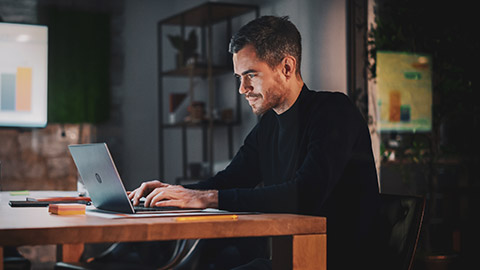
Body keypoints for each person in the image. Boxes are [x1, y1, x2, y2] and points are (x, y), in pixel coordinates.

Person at [129, 15, 381, 270]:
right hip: (288, 260)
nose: (242, 88)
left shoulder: (334, 111)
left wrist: (205, 197)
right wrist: (170, 193)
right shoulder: (269, 126)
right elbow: (230, 180)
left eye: (251, 75)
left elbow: (305, 195)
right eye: (239, 77)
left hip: (334, 263)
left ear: (286, 68)